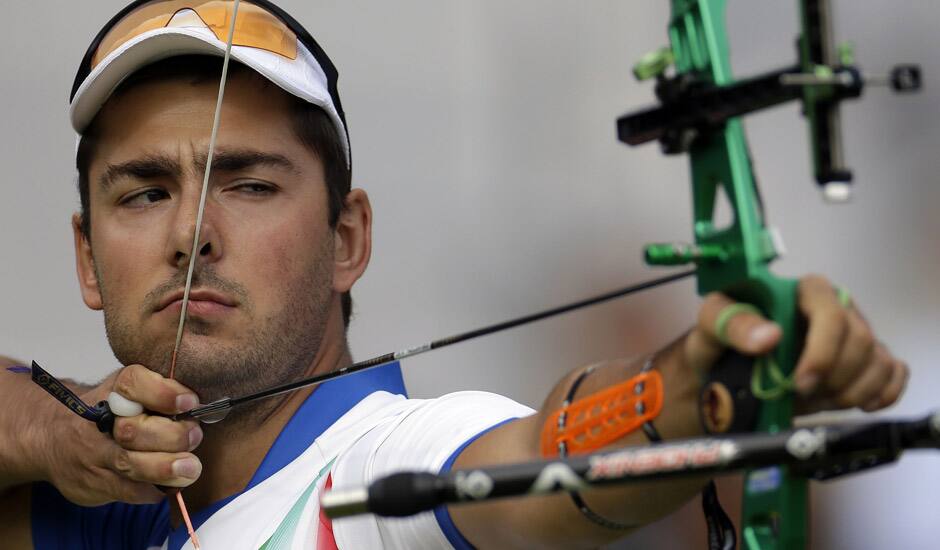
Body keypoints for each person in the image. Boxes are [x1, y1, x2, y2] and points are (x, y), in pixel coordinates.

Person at [0, 1, 908, 548]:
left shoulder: (382, 473)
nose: (193, 233)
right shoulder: (98, 506)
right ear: (87, 256)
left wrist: (693, 391)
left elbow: (544, 459)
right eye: (146, 192)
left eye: (249, 182)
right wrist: (53, 431)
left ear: (348, 238)